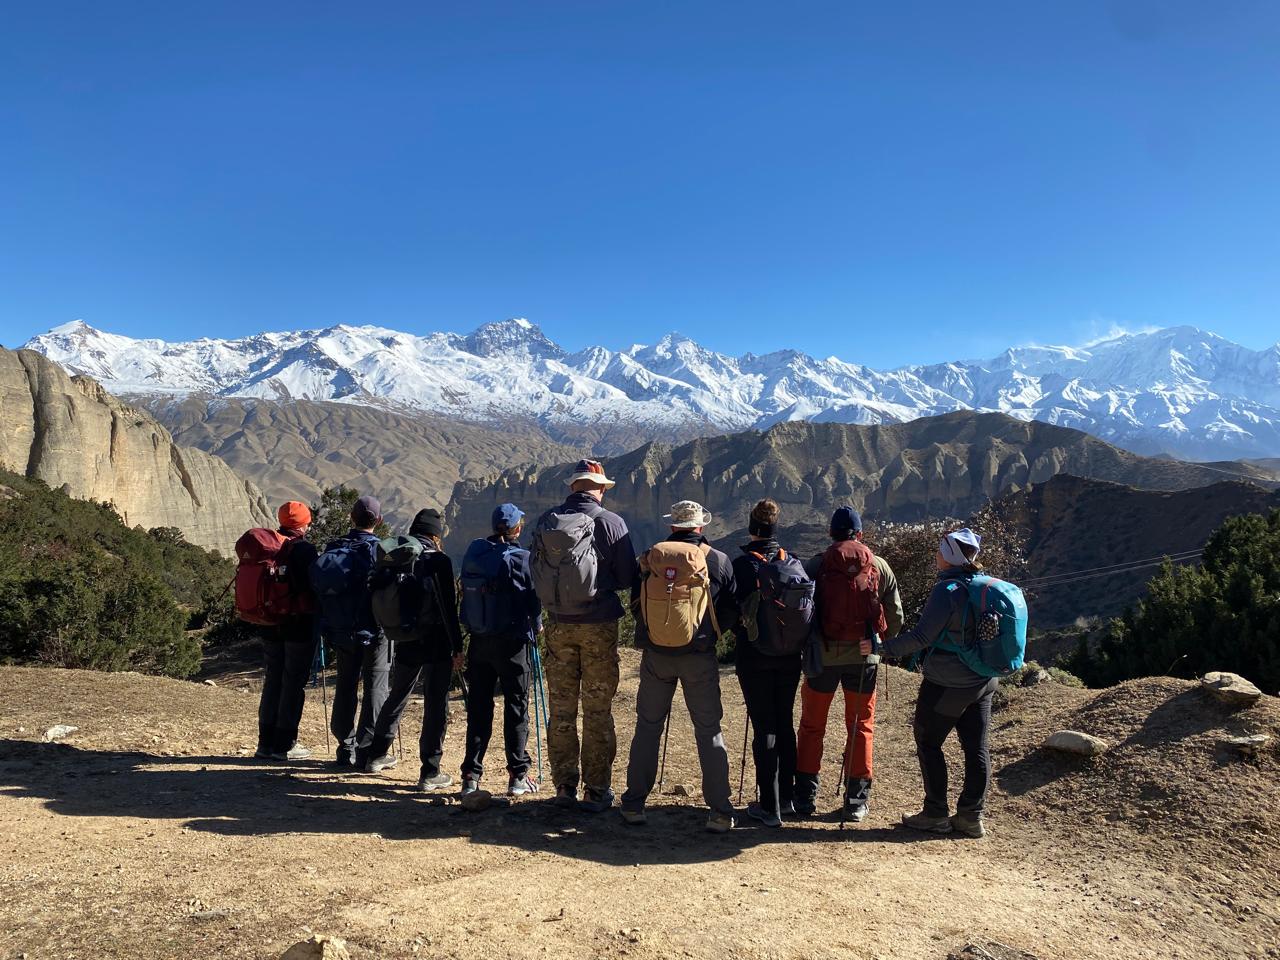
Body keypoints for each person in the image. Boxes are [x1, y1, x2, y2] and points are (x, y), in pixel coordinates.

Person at [620, 500, 739, 833]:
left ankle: (633, 804)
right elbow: (733, 607)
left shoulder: (650, 559)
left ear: (673, 526)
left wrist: (657, 632)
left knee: (647, 727)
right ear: (700, 526)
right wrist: (712, 633)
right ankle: (719, 811)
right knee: (708, 730)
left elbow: (635, 604)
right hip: (699, 657)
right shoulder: (717, 561)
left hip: (656, 657)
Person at [531, 459, 636, 813]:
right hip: (599, 626)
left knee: (561, 709)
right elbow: (625, 577)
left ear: (572, 487)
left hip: (558, 625)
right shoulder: (611, 523)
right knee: (597, 710)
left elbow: (536, 571)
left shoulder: (548, 521)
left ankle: (564, 787)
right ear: (601, 488)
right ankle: (596, 789)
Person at [882, 528, 996, 839]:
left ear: (949, 556)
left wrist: (881, 650)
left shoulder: (947, 591)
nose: (936, 555)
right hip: (984, 680)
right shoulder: (981, 586)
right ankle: (971, 816)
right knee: (977, 748)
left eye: (940, 550)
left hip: (948, 682)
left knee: (929, 741)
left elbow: (921, 637)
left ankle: (935, 813)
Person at [794, 506, 904, 821]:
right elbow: (895, 617)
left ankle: (804, 797)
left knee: (812, 726)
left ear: (831, 533)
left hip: (823, 658)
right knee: (860, 727)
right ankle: (856, 801)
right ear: (859, 534)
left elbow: (800, 606)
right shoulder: (879, 565)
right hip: (864, 660)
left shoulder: (819, 563)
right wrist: (880, 643)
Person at [360, 507, 464, 792]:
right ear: (435, 534)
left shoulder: (396, 557)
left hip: (404, 637)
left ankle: (376, 754)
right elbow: (448, 609)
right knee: (435, 703)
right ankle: (430, 771)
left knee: (398, 694)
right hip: (435, 640)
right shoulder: (438, 561)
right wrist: (458, 646)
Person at [731, 499, 807, 827]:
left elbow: (734, 613)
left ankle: (769, 805)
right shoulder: (793, 562)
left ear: (751, 528)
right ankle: (787, 799)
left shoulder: (743, 566)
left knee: (764, 728)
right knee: (785, 722)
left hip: (754, 656)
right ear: (777, 529)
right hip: (790, 656)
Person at [458, 503, 543, 797]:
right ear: (516, 528)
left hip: (479, 642)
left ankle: (471, 774)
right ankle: (517, 776)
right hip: (513, 643)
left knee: (479, 709)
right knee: (516, 707)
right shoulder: (522, 558)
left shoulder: (475, 552)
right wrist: (539, 624)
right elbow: (534, 600)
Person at [311, 494, 388, 769]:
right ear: (378, 521)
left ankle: (346, 747)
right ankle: (368, 751)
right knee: (375, 687)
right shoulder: (381, 550)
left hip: (341, 628)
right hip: (374, 630)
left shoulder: (334, 547)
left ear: (351, 518)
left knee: (345, 684)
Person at [253, 501, 320, 761]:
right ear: (303, 524)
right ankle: (285, 744)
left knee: (273, 680)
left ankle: (265, 743)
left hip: (269, 623)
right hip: (298, 624)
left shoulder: (270, 545)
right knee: (293, 683)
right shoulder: (303, 549)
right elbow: (313, 585)